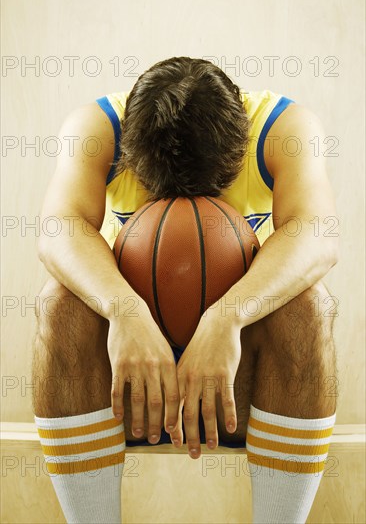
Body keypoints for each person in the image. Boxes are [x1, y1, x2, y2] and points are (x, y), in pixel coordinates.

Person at [32, 56, 338, 524]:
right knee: (58, 303)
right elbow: (58, 227)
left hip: (236, 384)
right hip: (127, 384)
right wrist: (126, 312)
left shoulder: (284, 127)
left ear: (241, 147)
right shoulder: (96, 127)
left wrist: (227, 316)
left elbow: (317, 234)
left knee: (310, 305)